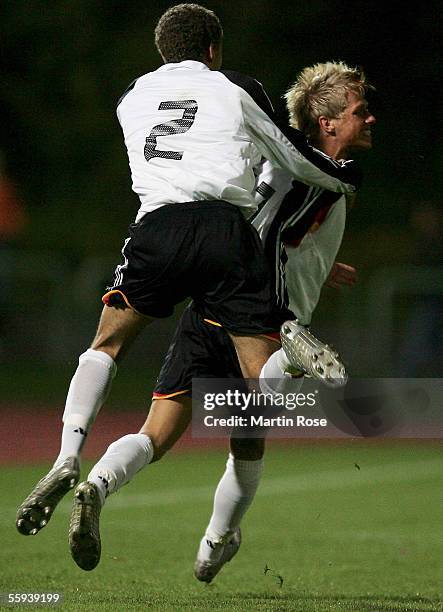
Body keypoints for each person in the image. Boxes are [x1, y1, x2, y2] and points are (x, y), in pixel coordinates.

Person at [16, 3, 361, 543]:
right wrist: (343, 181)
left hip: (156, 228)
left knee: (105, 346)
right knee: (257, 386)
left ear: (162, 50)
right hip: (225, 233)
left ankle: (66, 457)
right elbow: (291, 156)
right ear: (214, 49)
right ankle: (286, 363)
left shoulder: (131, 96)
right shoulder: (234, 87)